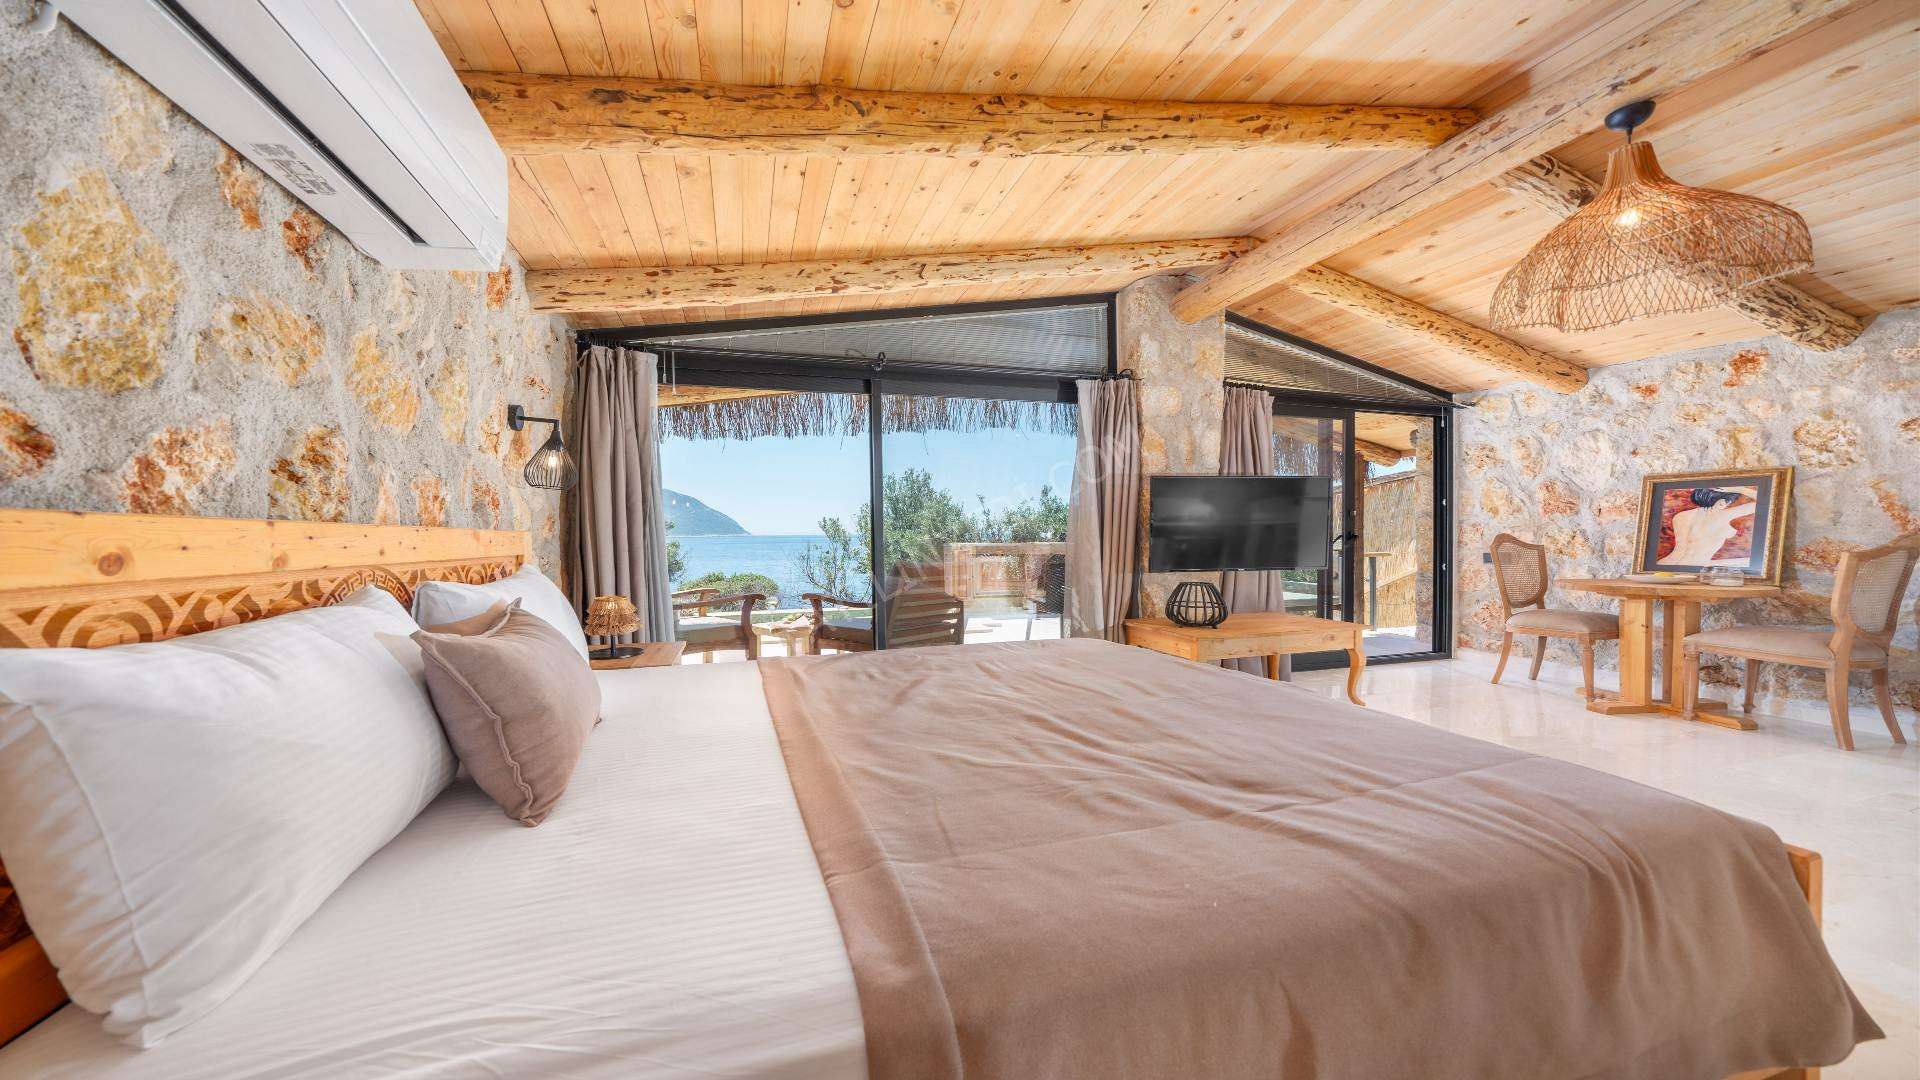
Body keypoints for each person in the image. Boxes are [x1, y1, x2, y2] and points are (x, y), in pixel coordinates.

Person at [1664, 487, 1756, 566]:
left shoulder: (1680, 516)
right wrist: (1739, 489)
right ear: (1721, 503)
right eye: (1730, 502)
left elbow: (1681, 550)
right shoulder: (1725, 515)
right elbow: (1763, 502)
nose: (1729, 505)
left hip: (1667, 564)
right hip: (1694, 567)